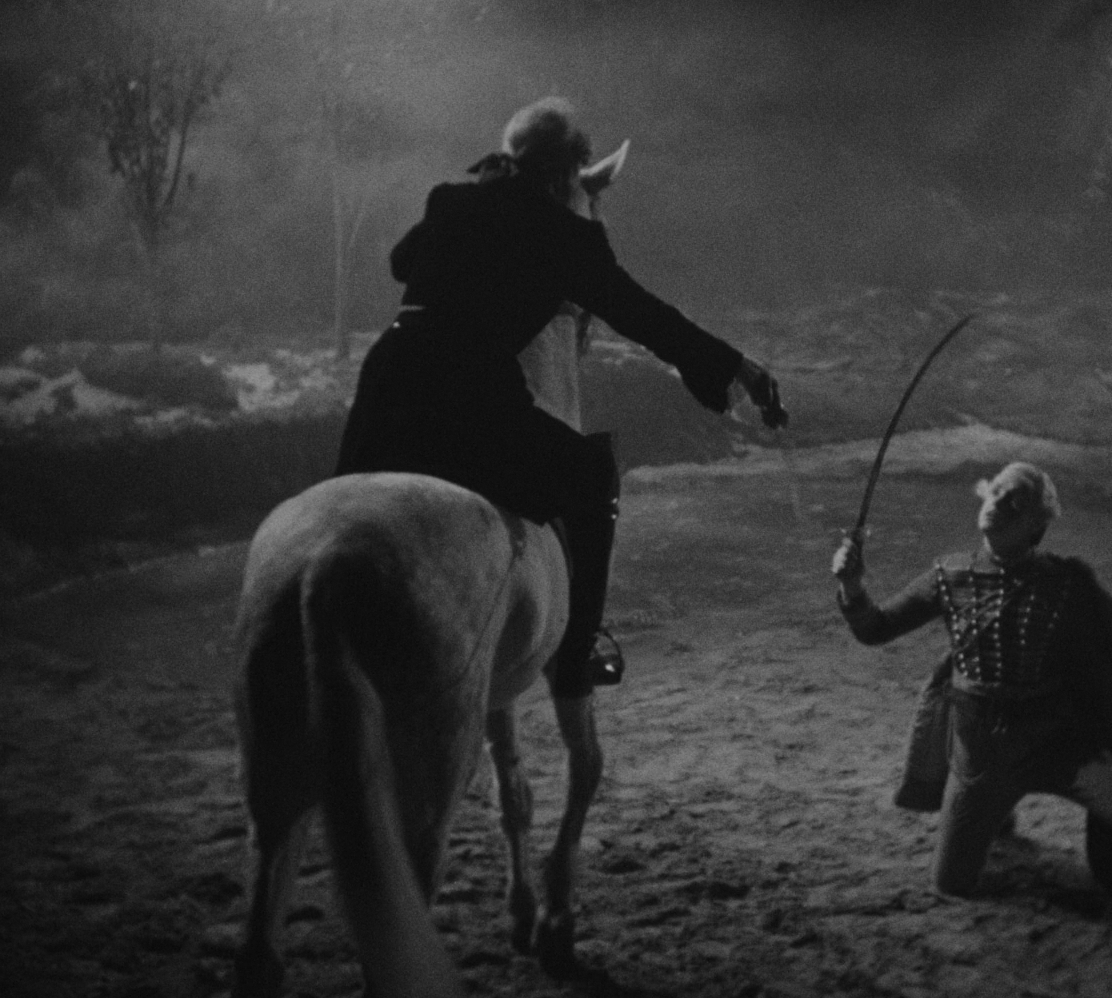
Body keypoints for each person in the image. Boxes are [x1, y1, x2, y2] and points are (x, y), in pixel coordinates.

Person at [337, 97, 786, 699]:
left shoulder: (450, 200)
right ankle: (580, 648)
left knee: (343, 513)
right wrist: (738, 369)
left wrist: (485, 196)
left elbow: (401, 264)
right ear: (570, 171)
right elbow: (644, 315)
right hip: (472, 396)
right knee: (593, 475)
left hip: (389, 385)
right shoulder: (567, 235)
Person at [829, 462, 1112, 929]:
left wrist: (1109, 737)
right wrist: (851, 585)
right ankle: (997, 814)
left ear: (1036, 527)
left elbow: (1101, 663)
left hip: (1058, 744)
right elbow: (875, 629)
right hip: (980, 756)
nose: (997, 504)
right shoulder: (949, 574)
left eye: (1014, 502)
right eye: (995, 492)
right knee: (950, 884)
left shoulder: (1066, 583)